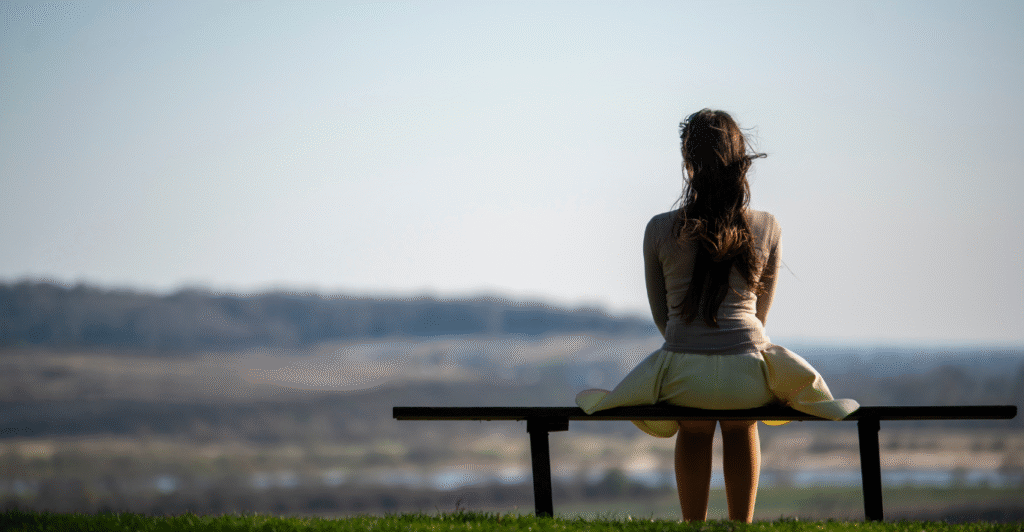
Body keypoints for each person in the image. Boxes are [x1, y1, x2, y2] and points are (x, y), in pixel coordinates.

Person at [575, 109, 859, 522]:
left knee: (693, 429)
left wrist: (695, 343)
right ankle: (740, 527)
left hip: (682, 373)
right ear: (740, 159)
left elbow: (664, 317)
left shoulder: (658, 229)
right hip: (747, 374)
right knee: (742, 426)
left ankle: (693, 526)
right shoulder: (768, 226)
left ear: (688, 163)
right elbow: (760, 318)